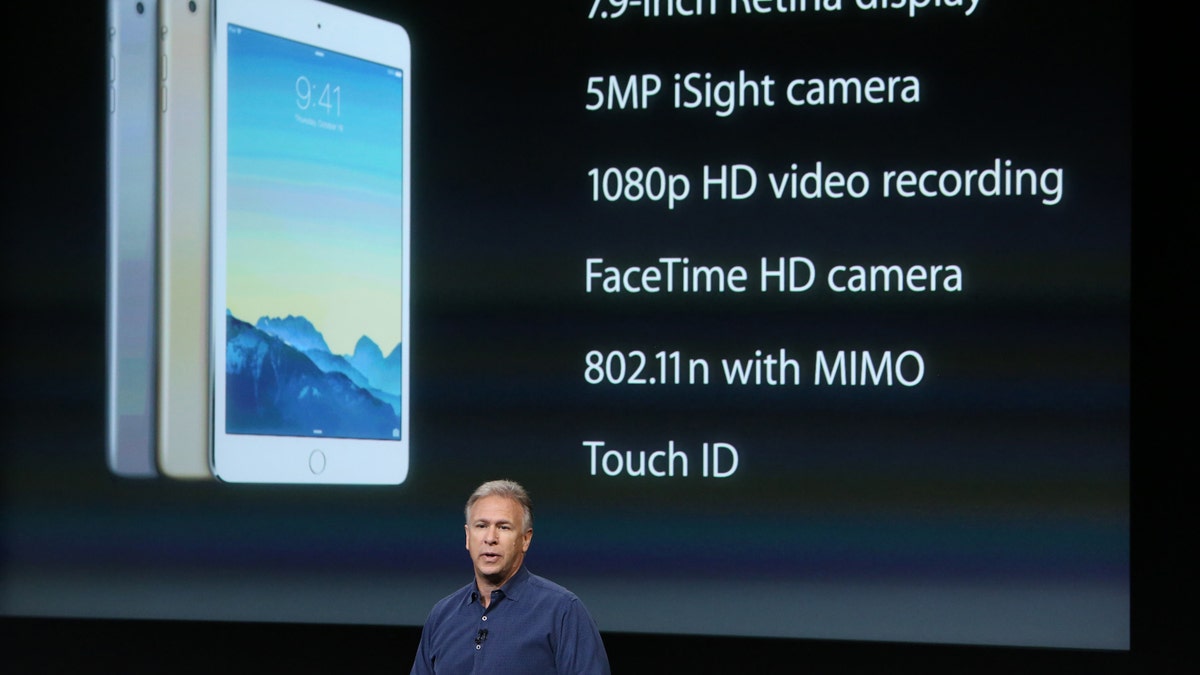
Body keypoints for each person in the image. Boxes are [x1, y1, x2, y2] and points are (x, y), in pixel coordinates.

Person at [410, 479, 611, 675]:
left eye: (503, 527)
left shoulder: (563, 611)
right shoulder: (442, 616)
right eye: (481, 526)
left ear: (525, 539)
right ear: (468, 536)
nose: (490, 538)